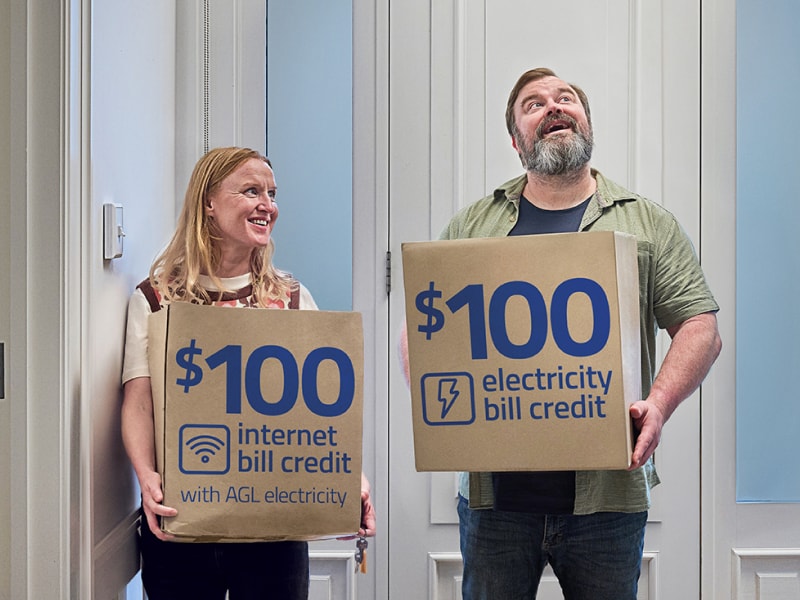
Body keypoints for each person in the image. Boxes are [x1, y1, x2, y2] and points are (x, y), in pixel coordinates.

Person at [401, 68, 721, 599]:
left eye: (565, 98)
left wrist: (659, 405)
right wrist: (449, 419)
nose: (553, 106)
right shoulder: (472, 226)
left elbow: (700, 326)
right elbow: (421, 331)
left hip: (608, 501)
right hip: (495, 505)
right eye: (533, 104)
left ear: (586, 122)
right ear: (515, 140)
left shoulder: (646, 224)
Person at [121, 146, 376, 599]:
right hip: (181, 522)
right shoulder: (156, 299)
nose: (268, 206)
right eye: (251, 191)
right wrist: (146, 475)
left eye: (272, 194)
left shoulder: (291, 299)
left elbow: (318, 414)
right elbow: (139, 400)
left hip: (271, 531)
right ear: (208, 202)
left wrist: (345, 483)